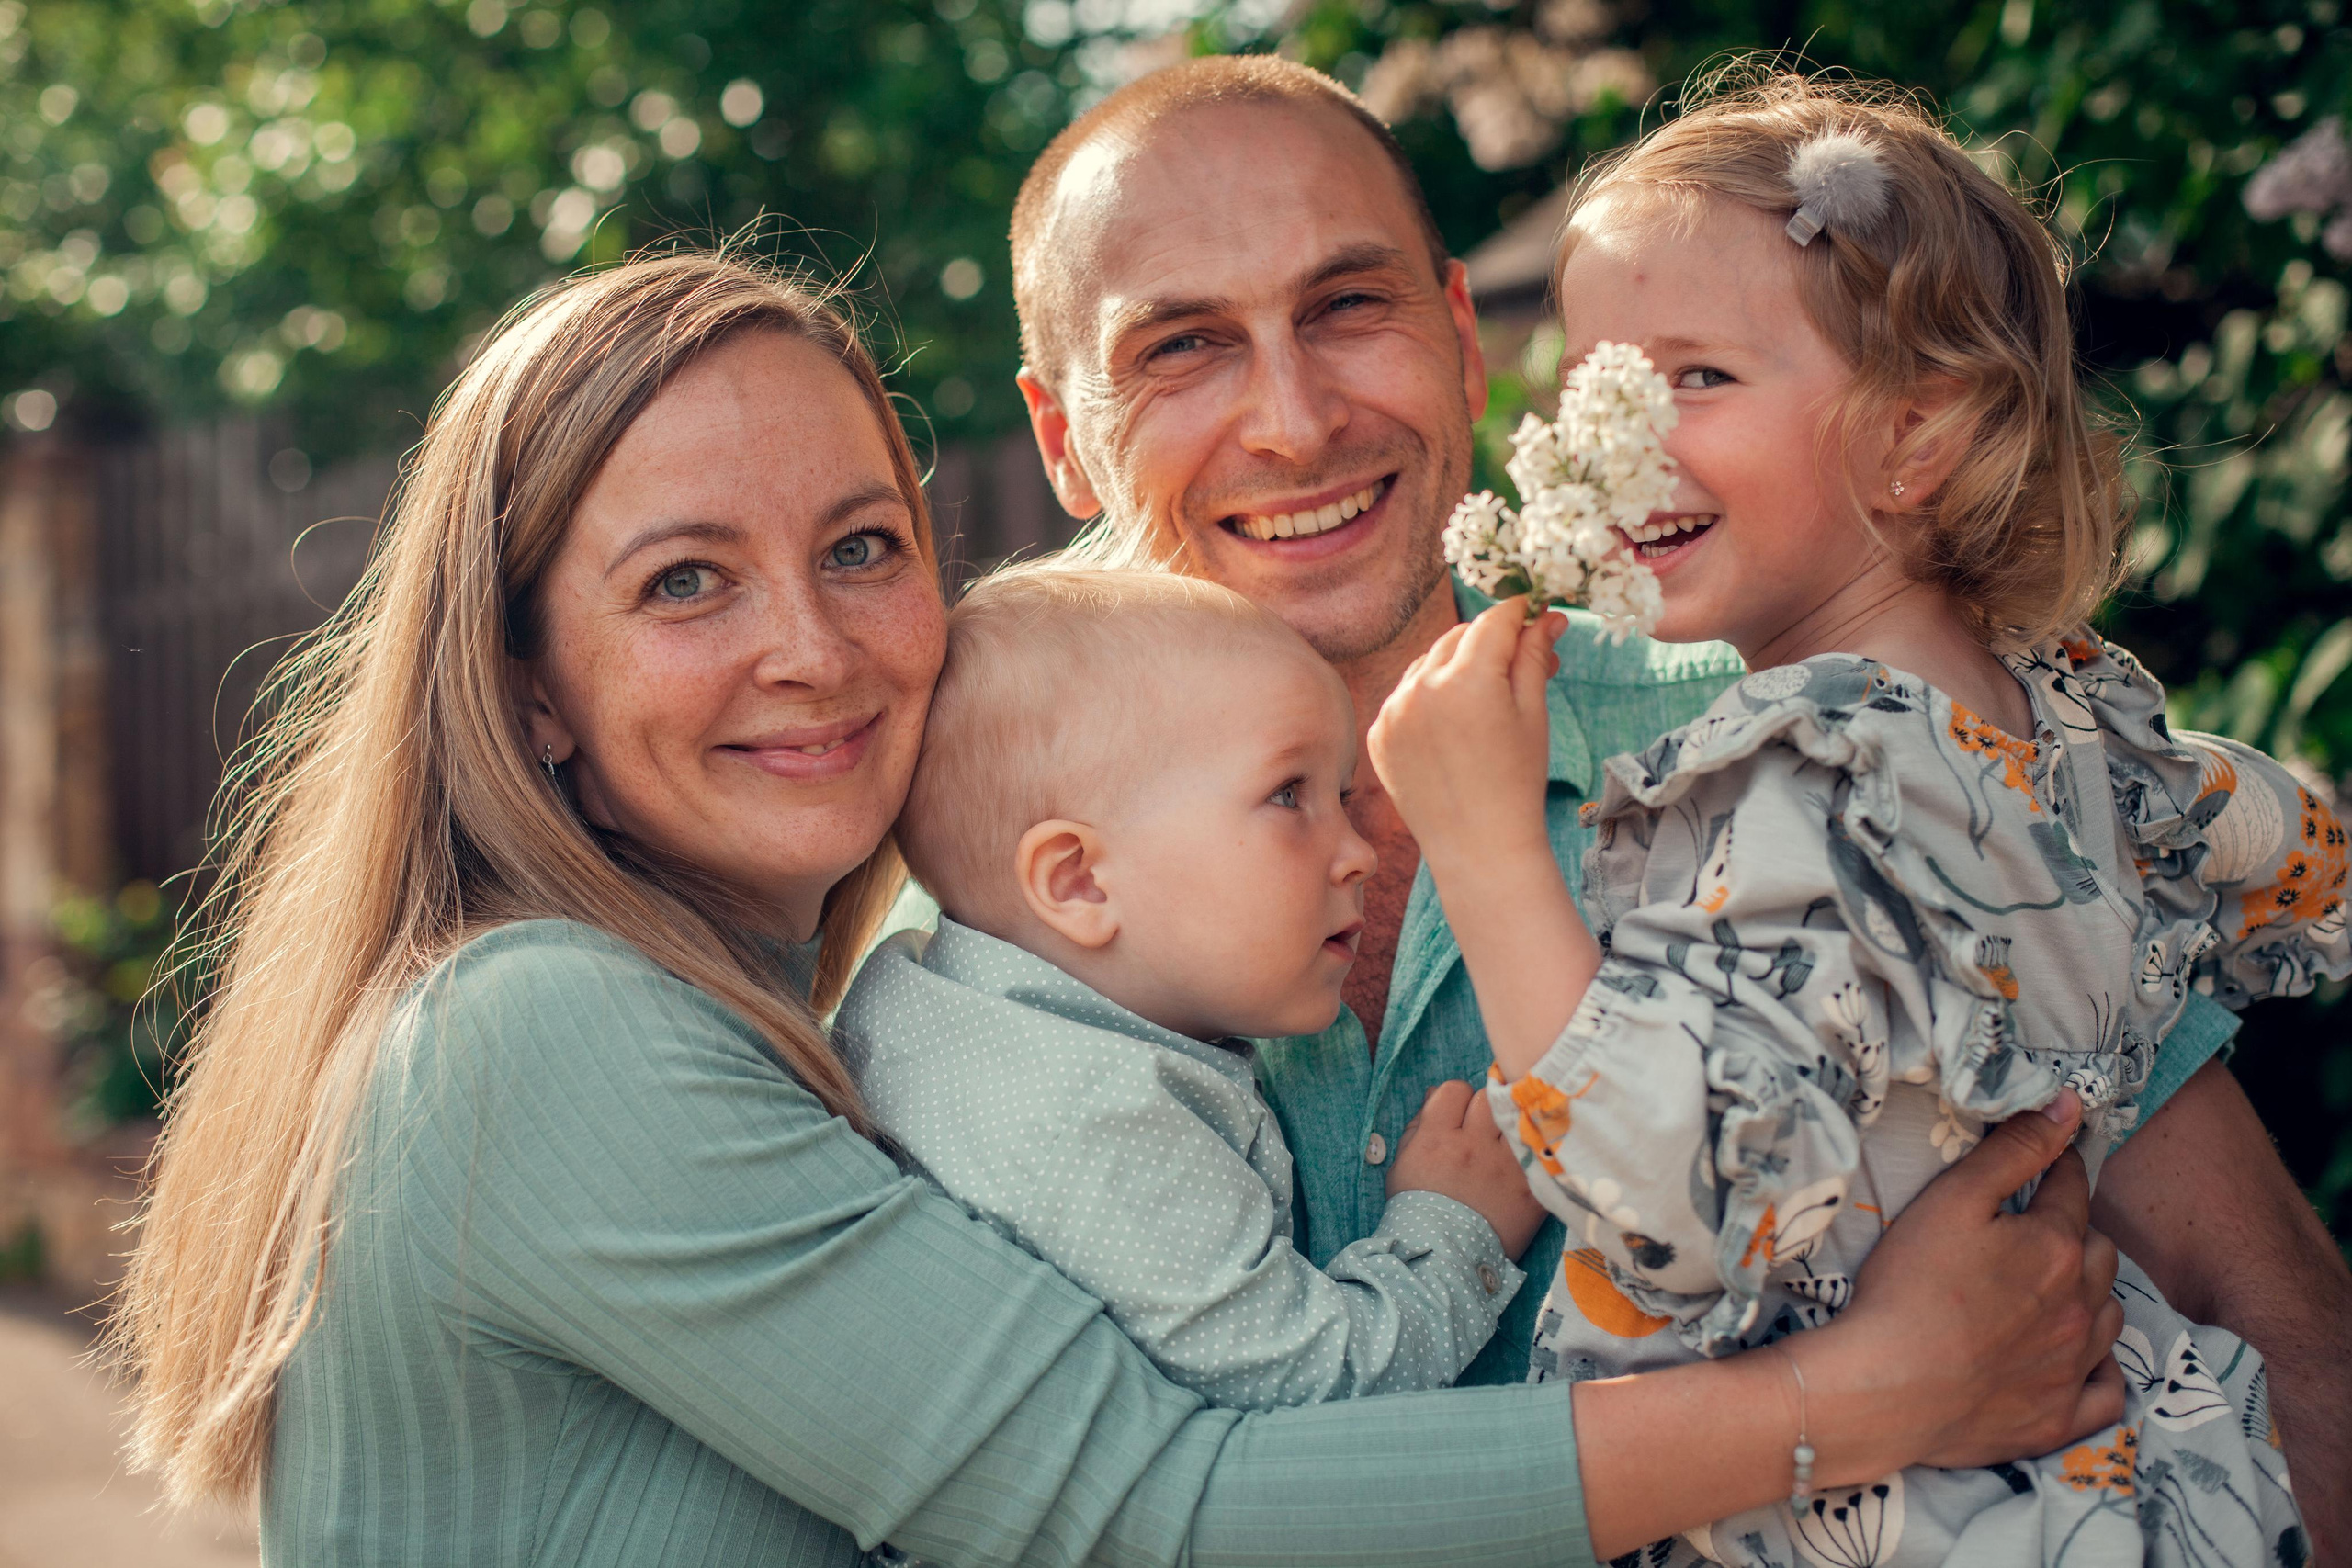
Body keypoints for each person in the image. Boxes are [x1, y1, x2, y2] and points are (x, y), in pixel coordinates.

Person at [112, 252, 2126, 1567]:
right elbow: (1143, 1499)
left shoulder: (853, 1013)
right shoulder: (537, 1029)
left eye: (861, 544)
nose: (811, 646)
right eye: (683, 582)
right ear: (525, 681)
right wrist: (1851, 1399)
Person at [1001, 53, 2352, 1552]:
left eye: (1346, 307)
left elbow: (2269, 1295)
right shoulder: (981, 921)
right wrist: (1873, 1387)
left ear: (1458, 333)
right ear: (1060, 437)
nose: (1295, 420)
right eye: (1181, 347)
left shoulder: (1798, 719)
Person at [842, 565, 1545, 1412]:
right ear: (1079, 882)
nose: (1357, 849)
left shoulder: (938, 1009)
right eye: (1289, 794)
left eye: (1343, 795)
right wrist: (1452, 1227)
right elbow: (1304, 1385)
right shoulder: (1090, 1118)